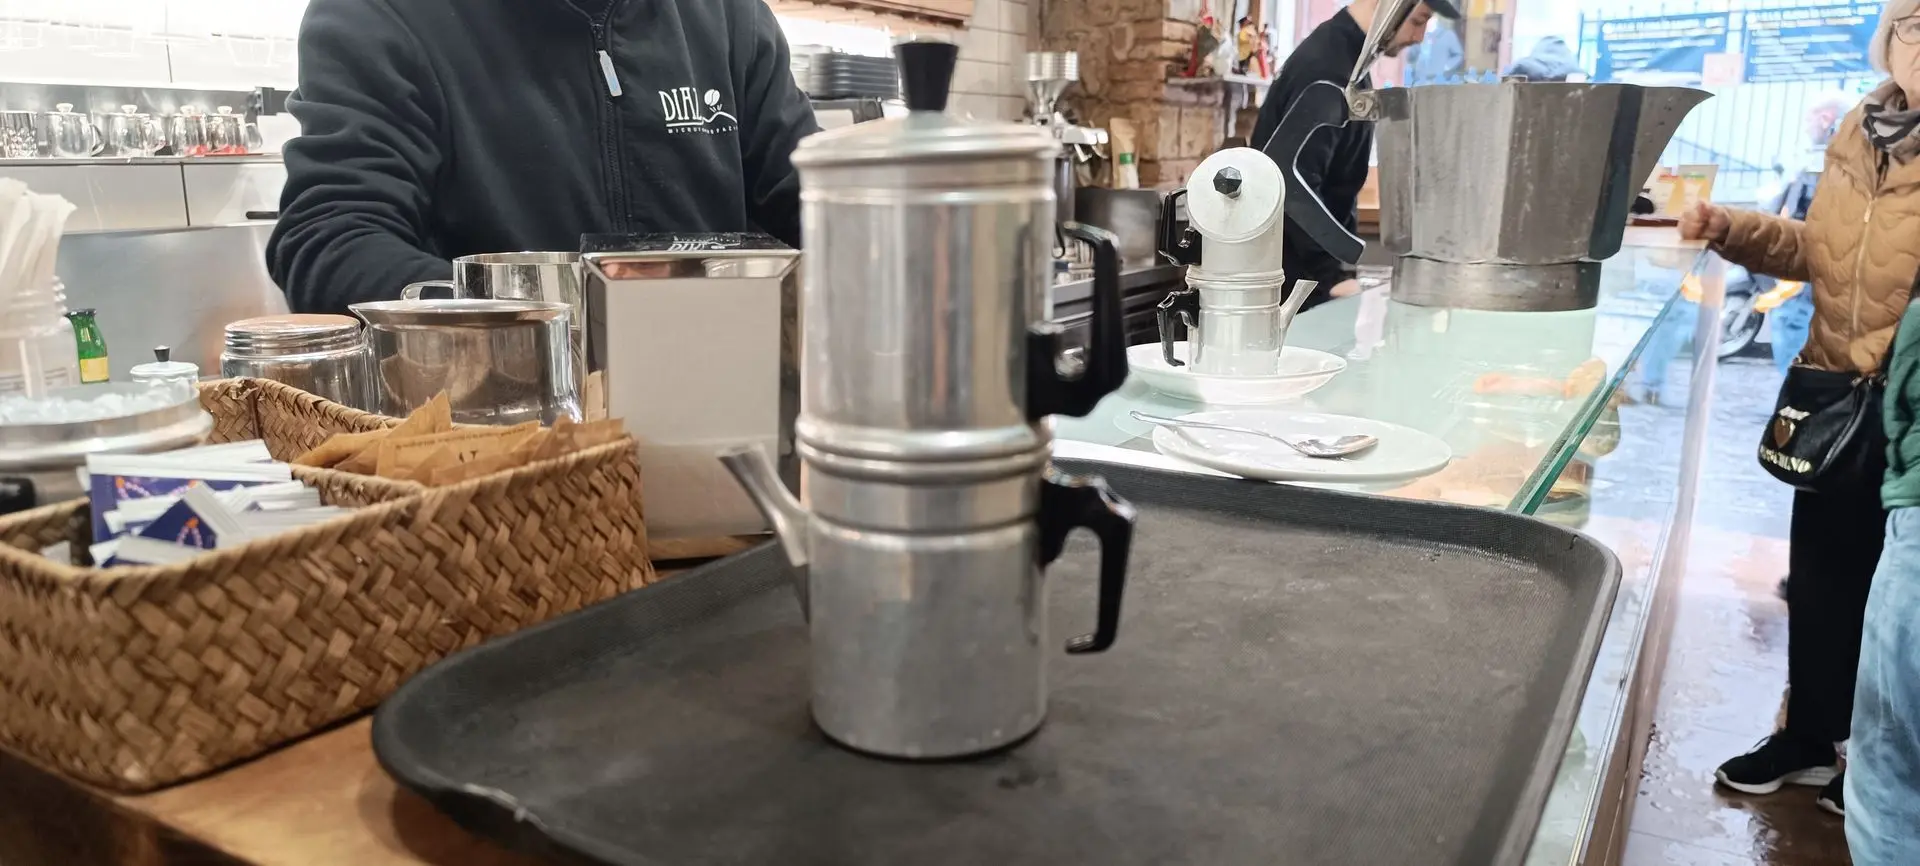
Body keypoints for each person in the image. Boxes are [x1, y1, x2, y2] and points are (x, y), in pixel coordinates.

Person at [1681, 0, 1920, 823]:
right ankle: (1811, 738)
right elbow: (1817, 251)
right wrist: (1728, 228)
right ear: (1888, 37)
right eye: (1913, 23)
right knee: (1819, 583)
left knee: (1899, 606)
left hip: (1909, 413)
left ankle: (1882, 768)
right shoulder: (1861, 127)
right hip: (1834, 394)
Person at [267, 0, 819, 314]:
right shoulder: (381, 14)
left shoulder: (730, 15)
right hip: (496, 435)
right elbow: (330, 238)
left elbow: (816, 209)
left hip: (727, 412)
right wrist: (534, 321)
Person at [1250, 0, 1458, 312]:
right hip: (1294, 288)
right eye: (1418, 21)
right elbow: (1292, 185)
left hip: (1307, 281)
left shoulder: (1350, 61)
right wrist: (1330, 277)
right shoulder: (1327, 66)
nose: (1419, 37)